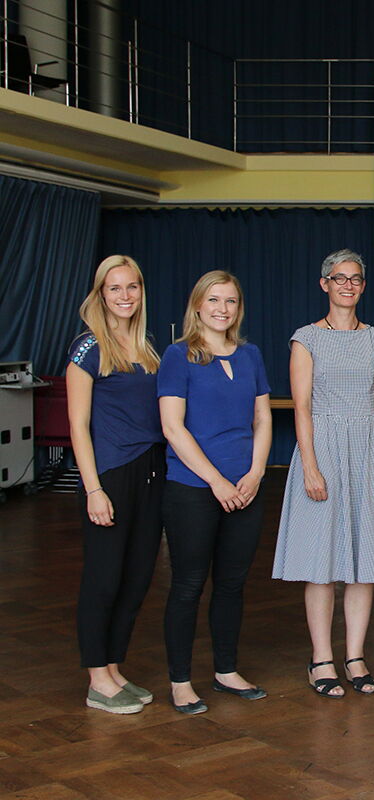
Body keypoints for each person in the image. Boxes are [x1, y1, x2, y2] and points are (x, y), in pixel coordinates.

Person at [273, 249, 374, 698]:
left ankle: (354, 655)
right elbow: (303, 407)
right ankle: (321, 659)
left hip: (370, 451)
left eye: (355, 279)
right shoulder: (306, 339)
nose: (347, 285)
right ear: (324, 284)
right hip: (324, 450)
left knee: (363, 564)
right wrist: (309, 464)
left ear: (363, 286)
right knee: (320, 563)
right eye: (339, 278)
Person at [158, 270, 272, 715]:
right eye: (214, 300)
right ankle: (181, 681)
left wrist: (257, 472)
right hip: (192, 489)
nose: (223, 309)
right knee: (187, 585)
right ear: (198, 306)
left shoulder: (251, 355)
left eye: (231, 301)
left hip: (246, 488)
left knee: (232, 584)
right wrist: (216, 481)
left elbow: (262, 418)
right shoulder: (177, 355)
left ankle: (226, 671)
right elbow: (172, 427)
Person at [66, 255, 165, 715]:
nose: (125, 296)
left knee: (138, 577)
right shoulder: (88, 349)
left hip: (150, 472)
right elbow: (78, 426)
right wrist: (93, 490)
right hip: (110, 476)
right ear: (100, 295)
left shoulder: (148, 351)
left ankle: (113, 667)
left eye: (132, 288)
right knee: (104, 580)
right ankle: (96, 679)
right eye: (115, 288)